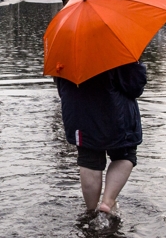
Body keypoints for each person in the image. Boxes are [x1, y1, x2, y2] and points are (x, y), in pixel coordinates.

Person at [54, 62, 146, 215]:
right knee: (124, 154)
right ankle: (107, 201)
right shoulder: (118, 48)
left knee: (89, 159)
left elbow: (60, 86)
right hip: (116, 114)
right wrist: (139, 66)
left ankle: (91, 211)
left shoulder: (66, 49)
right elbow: (135, 86)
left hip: (80, 115)